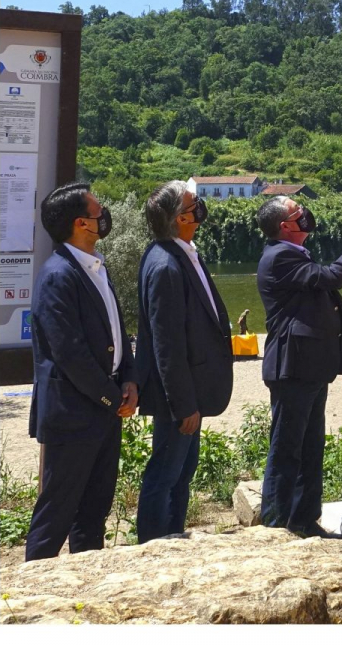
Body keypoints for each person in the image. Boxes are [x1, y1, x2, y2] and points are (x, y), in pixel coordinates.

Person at [25, 183, 137, 561]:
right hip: (74, 414)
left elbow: (117, 333)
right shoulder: (58, 275)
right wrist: (111, 396)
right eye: (97, 212)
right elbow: (69, 353)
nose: (103, 216)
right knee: (56, 511)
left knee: (94, 511)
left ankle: (86, 589)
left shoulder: (94, 266)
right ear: (81, 223)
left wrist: (130, 380)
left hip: (105, 408)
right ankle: (26, 600)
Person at [256, 196, 342, 538]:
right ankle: (275, 526)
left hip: (309, 367)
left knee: (309, 449)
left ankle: (305, 521)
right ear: (285, 226)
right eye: (297, 212)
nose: (304, 214)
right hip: (292, 368)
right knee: (287, 449)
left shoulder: (291, 254)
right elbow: (330, 278)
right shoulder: (279, 256)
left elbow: (310, 302)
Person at [134, 181, 232, 542]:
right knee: (165, 473)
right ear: (179, 217)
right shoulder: (165, 265)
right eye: (194, 205)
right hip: (180, 397)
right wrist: (183, 405)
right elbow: (167, 344)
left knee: (181, 471)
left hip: (192, 390)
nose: (200, 209)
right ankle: (154, 546)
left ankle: (173, 538)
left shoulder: (181, 253)